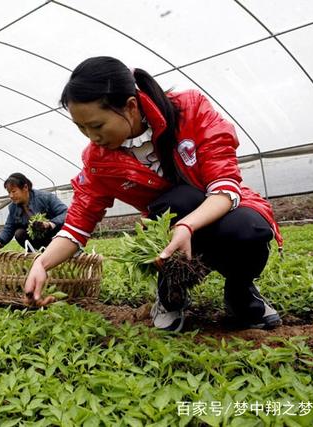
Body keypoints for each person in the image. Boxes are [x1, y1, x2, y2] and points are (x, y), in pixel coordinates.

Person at [24, 56, 283, 332]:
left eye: (97, 126)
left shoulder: (189, 109)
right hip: (169, 230)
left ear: (131, 106)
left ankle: (240, 292)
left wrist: (187, 225)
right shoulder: (98, 160)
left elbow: (224, 186)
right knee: (173, 204)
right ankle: (171, 293)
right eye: (82, 128)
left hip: (219, 211)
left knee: (250, 229)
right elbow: (77, 223)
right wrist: (43, 262)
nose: (92, 137)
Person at [0, 173, 67, 251]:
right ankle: (37, 254)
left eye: (14, 191)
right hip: (38, 239)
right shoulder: (13, 207)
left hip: (56, 236)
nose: (11, 196)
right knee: (19, 233)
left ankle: (60, 251)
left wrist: (50, 224)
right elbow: (9, 227)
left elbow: (65, 213)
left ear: (25, 187)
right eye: (9, 192)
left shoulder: (45, 197)